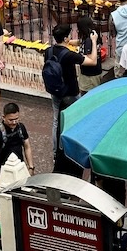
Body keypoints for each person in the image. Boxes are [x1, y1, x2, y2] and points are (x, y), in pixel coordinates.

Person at [47, 24, 96, 164]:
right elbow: (92, 61)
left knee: (56, 121)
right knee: (77, 119)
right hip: (71, 93)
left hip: (55, 91)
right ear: (65, 38)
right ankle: (76, 149)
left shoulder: (49, 51)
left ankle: (56, 152)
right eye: (69, 35)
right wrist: (93, 41)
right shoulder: (69, 55)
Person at [0, 102, 34, 188]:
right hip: (3, 172)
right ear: (3, 117)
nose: (14, 122)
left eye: (16, 119)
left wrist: (31, 167)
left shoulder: (21, 128)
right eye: (11, 120)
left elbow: (27, 147)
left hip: (19, 168)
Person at [76, 16, 103, 93]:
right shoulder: (93, 35)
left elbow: (91, 60)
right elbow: (81, 42)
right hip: (94, 73)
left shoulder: (89, 41)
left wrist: (78, 57)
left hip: (89, 76)